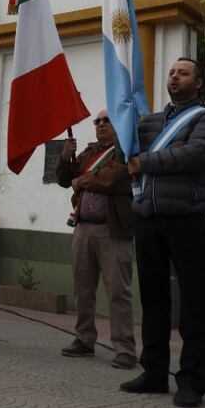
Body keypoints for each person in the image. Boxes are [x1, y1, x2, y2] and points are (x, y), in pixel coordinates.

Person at [119, 58, 205, 408]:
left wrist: (144, 162)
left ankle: (192, 381)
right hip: (148, 218)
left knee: (194, 302)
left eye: (184, 73)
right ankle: (154, 372)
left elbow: (195, 155)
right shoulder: (148, 122)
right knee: (153, 300)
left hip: (186, 219)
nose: (175, 77)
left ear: (198, 83)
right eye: (172, 72)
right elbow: (126, 151)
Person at [55, 109, 136, 369]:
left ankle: (124, 348)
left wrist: (82, 180)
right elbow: (66, 181)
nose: (101, 125)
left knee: (118, 292)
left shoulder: (125, 150)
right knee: (83, 289)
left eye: (107, 121)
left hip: (113, 231)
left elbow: (114, 178)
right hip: (83, 229)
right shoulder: (89, 153)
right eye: (97, 121)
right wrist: (65, 159)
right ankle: (84, 339)